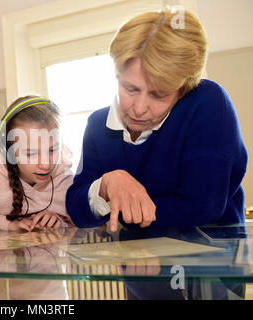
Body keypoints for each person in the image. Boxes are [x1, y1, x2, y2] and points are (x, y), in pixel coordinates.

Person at [66, 8, 248, 232]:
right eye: (130, 89)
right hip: (131, 260)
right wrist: (106, 184)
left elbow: (201, 206)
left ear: (182, 90)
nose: (139, 109)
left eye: (158, 94)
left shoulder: (207, 102)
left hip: (209, 259)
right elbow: (76, 208)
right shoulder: (97, 123)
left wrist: (120, 211)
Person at [0, 95, 74, 231]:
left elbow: (82, 223)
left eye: (52, 150)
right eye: (31, 154)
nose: (46, 165)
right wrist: (3, 223)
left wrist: (60, 221)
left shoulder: (66, 177)